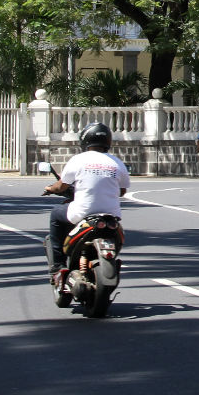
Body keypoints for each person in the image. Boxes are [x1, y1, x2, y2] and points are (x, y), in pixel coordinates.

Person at [43, 122, 129, 286]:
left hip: (82, 213)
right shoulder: (117, 163)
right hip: (111, 216)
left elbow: (61, 186)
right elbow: (122, 190)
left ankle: (58, 267)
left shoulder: (78, 160)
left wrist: (50, 188)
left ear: (85, 140)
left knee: (56, 214)